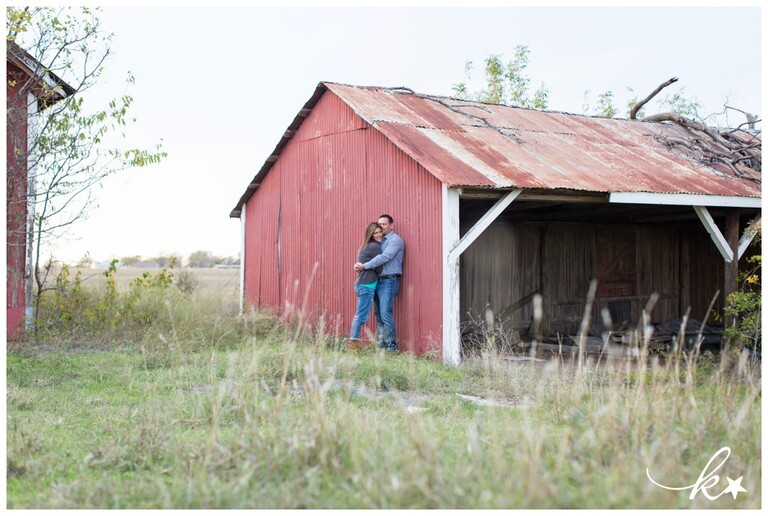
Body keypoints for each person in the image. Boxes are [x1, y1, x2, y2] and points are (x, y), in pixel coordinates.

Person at [354, 214, 404, 351]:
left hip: (389, 281)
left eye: (383, 224)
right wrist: (359, 264)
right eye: (379, 224)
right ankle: (381, 346)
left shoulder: (395, 240)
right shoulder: (378, 242)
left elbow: (384, 257)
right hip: (377, 281)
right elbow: (367, 254)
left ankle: (391, 346)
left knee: (385, 313)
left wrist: (364, 266)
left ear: (391, 225)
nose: (380, 227)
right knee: (378, 315)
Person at [349, 222, 383, 340]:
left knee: (360, 314)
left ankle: (353, 341)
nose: (379, 235)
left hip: (362, 284)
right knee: (361, 316)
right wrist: (374, 267)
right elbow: (380, 268)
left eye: (380, 232)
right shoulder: (374, 246)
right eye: (375, 233)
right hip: (366, 286)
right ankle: (352, 342)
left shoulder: (366, 245)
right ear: (371, 235)